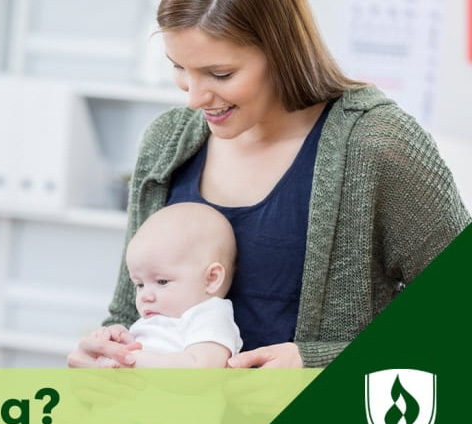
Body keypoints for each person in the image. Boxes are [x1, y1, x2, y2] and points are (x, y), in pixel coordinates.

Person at [68, 0, 469, 369]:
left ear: (282, 51)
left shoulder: (376, 143)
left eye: (219, 73)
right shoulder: (166, 144)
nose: (194, 97)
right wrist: (103, 355)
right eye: (179, 67)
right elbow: (131, 314)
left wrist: (314, 363)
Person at [91, 202, 242, 368]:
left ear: (211, 279)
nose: (145, 296)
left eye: (162, 282)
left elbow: (201, 369)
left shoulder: (208, 316)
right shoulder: (154, 320)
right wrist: (119, 341)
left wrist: (131, 360)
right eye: (139, 284)